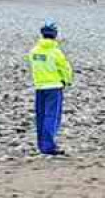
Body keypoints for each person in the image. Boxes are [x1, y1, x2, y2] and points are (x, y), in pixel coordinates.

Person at [24, 20, 73, 155]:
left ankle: (42, 144)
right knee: (52, 116)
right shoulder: (56, 52)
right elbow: (65, 69)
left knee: (41, 116)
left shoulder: (34, 51)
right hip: (54, 86)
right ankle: (48, 145)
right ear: (55, 35)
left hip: (39, 86)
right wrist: (67, 81)